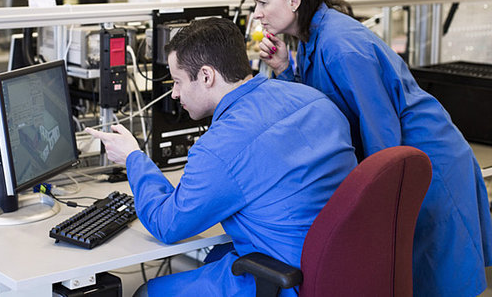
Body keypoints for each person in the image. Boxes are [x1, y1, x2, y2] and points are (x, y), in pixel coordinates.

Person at [248, 0, 492, 297]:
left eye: (261, 3)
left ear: (293, 0)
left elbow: (382, 132)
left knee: (437, 278)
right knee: (411, 273)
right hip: (404, 154)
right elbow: (324, 109)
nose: (257, 15)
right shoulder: (311, 39)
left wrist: (374, 199)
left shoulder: (341, 45)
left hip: (426, 159)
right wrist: (287, 70)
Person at [87, 17, 357, 296]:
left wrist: (133, 157)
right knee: (216, 256)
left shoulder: (219, 149)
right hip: (343, 267)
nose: (175, 93)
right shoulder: (315, 100)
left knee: (147, 291)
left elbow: (166, 225)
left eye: (178, 81)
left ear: (206, 76)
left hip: (291, 280)